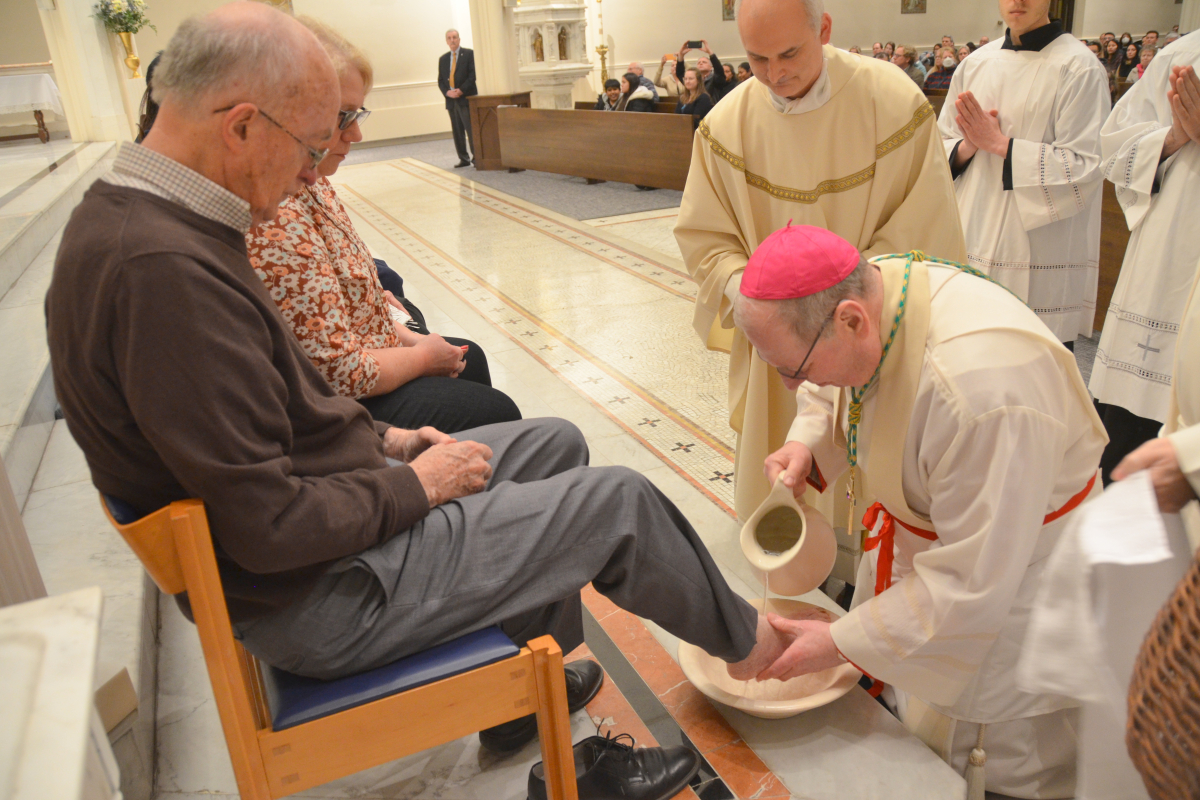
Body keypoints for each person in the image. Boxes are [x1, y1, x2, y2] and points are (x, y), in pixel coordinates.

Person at [43, 5, 799, 794]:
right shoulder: (160, 274)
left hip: (327, 534)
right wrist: (414, 487)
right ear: (238, 126)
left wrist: (390, 445)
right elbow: (266, 525)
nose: (312, 172)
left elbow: (279, 411)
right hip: (323, 594)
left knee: (554, 445)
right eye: (309, 145)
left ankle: (517, 705)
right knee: (616, 505)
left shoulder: (159, 222)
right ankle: (760, 652)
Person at [735, 225, 1105, 797]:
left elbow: (971, 580)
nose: (794, 383)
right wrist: (809, 440)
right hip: (926, 545)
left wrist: (837, 642)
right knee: (911, 718)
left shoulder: (984, 393)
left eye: (795, 370)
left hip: (1015, 588)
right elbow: (836, 388)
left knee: (997, 760)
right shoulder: (879, 291)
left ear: (852, 320)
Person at [674, 0, 966, 524]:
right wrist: (754, 295)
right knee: (788, 480)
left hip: (872, 333)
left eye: (789, 53)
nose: (775, 73)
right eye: (757, 59)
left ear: (825, 29)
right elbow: (705, 240)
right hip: (779, 347)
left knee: (881, 495)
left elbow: (924, 226)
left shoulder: (892, 101)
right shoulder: (726, 126)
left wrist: (838, 312)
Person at [246, 19, 521, 435]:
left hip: (367, 349)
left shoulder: (310, 180)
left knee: (471, 356)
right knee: (493, 409)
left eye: (356, 114)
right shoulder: (274, 212)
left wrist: (404, 335)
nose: (355, 133)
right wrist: (421, 357)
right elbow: (336, 373)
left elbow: (350, 291)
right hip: (338, 403)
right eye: (342, 117)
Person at [940, 0, 1109, 349]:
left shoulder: (1079, 67)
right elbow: (938, 145)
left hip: (1039, 246)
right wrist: (969, 146)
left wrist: (1002, 145)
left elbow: (1086, 166)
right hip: (974, 227)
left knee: (1033, 368)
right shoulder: (975, 63)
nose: (1016, 2)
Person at [1089, 32, 1200, 484]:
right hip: (1167, 262)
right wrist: (1174, 136)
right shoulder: (1184, 54)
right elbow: (1113, 150)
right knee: (1128, 446)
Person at [437, 29, 476, 168]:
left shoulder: (469, 54)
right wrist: (448, 92)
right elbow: (441, 81)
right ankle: (463, 159)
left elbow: (472, 76)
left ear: (459, 39)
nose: (452, 40)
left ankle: (476, 158)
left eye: (454, 37)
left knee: (470, 129)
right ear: (447, 41)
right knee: (457, 131)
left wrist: (461, 90)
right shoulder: (443, 59)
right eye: (449, 38)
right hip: (451, 101)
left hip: (465, 98)